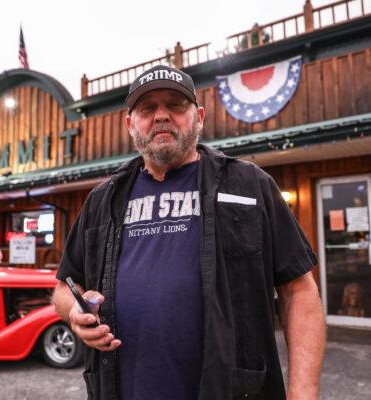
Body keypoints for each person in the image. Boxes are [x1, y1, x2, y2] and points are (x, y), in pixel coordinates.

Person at [52, 65, 325, 399]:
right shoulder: (102, 200)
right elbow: (65, 286)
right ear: (130, 124)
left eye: (175, 105)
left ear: (199, 117)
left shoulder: (248, 186)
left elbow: (300, 290)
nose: (162, 116)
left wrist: (303, 392)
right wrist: (75, 311)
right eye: (147, 108)